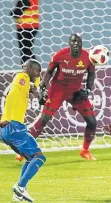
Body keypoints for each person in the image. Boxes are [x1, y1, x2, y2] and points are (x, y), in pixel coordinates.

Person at [20, 33, 98, 161]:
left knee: (92, 122)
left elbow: (91, 74)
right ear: (69, 43)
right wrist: (43, 89)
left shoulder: (88, 57)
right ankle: (23, 150)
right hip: (58, 90)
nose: (76, 44)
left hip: (75, 93)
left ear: (82, 43)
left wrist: (88, 90)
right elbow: (49, 72)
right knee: (43, 120)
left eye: (78, 42)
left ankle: (85, 150)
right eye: (73, 42)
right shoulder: (60, 55)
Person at [0, 59, 44, 202]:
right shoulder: (22, 77)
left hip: (8, 129)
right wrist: (8, 117)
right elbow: (10, 95)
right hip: (13, 125)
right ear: (29, 69)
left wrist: (36, 85)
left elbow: (34, 87)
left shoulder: (27, 80)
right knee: (39, 157)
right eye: (36, 71)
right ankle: (20, 187)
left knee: (30, 158)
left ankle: (19, 193)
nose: (38, 74)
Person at [10, 0, 40, 64]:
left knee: (25, 50)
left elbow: (17, 13)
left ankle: (28, 68)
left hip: (24, 28)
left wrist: (12, 13)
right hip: (34, 27)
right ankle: (33, 66)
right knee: (29, 49)